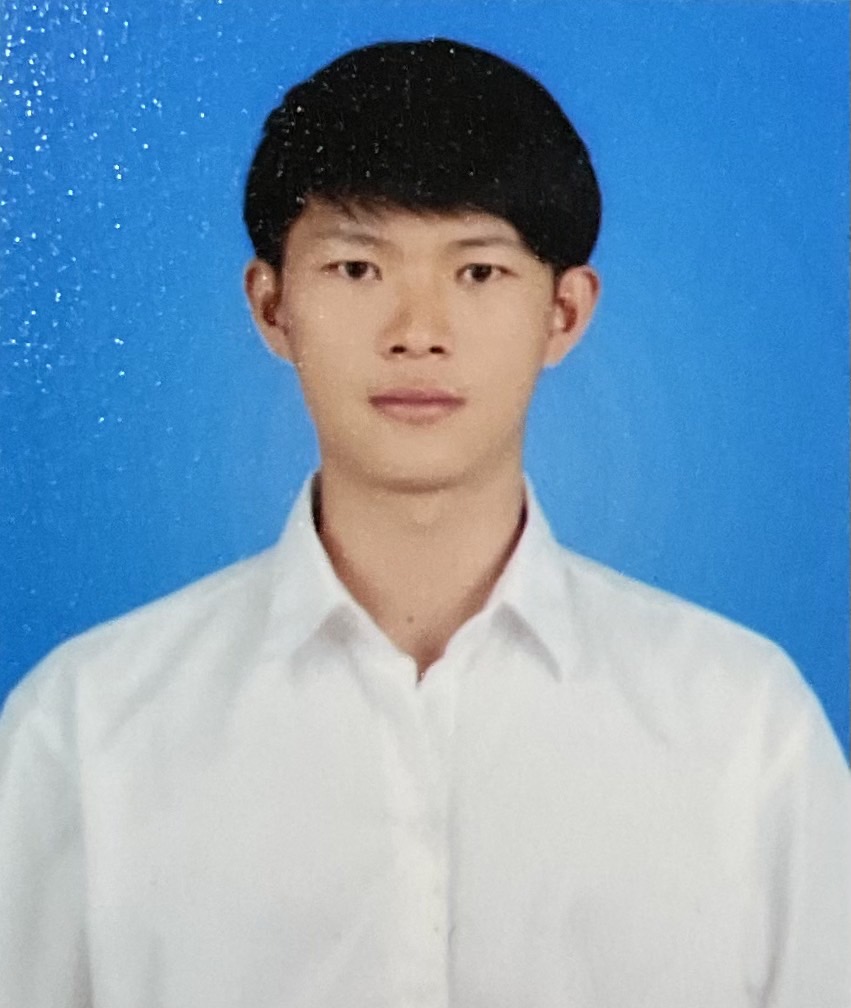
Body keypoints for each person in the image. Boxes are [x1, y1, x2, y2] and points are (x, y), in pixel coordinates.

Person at [0, 37, 847, 1008]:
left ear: (563, 313)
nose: (416, 331)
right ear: (272, 307)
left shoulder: (743, 729)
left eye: (477, 272)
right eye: (356, 268)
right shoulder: (87, 732)